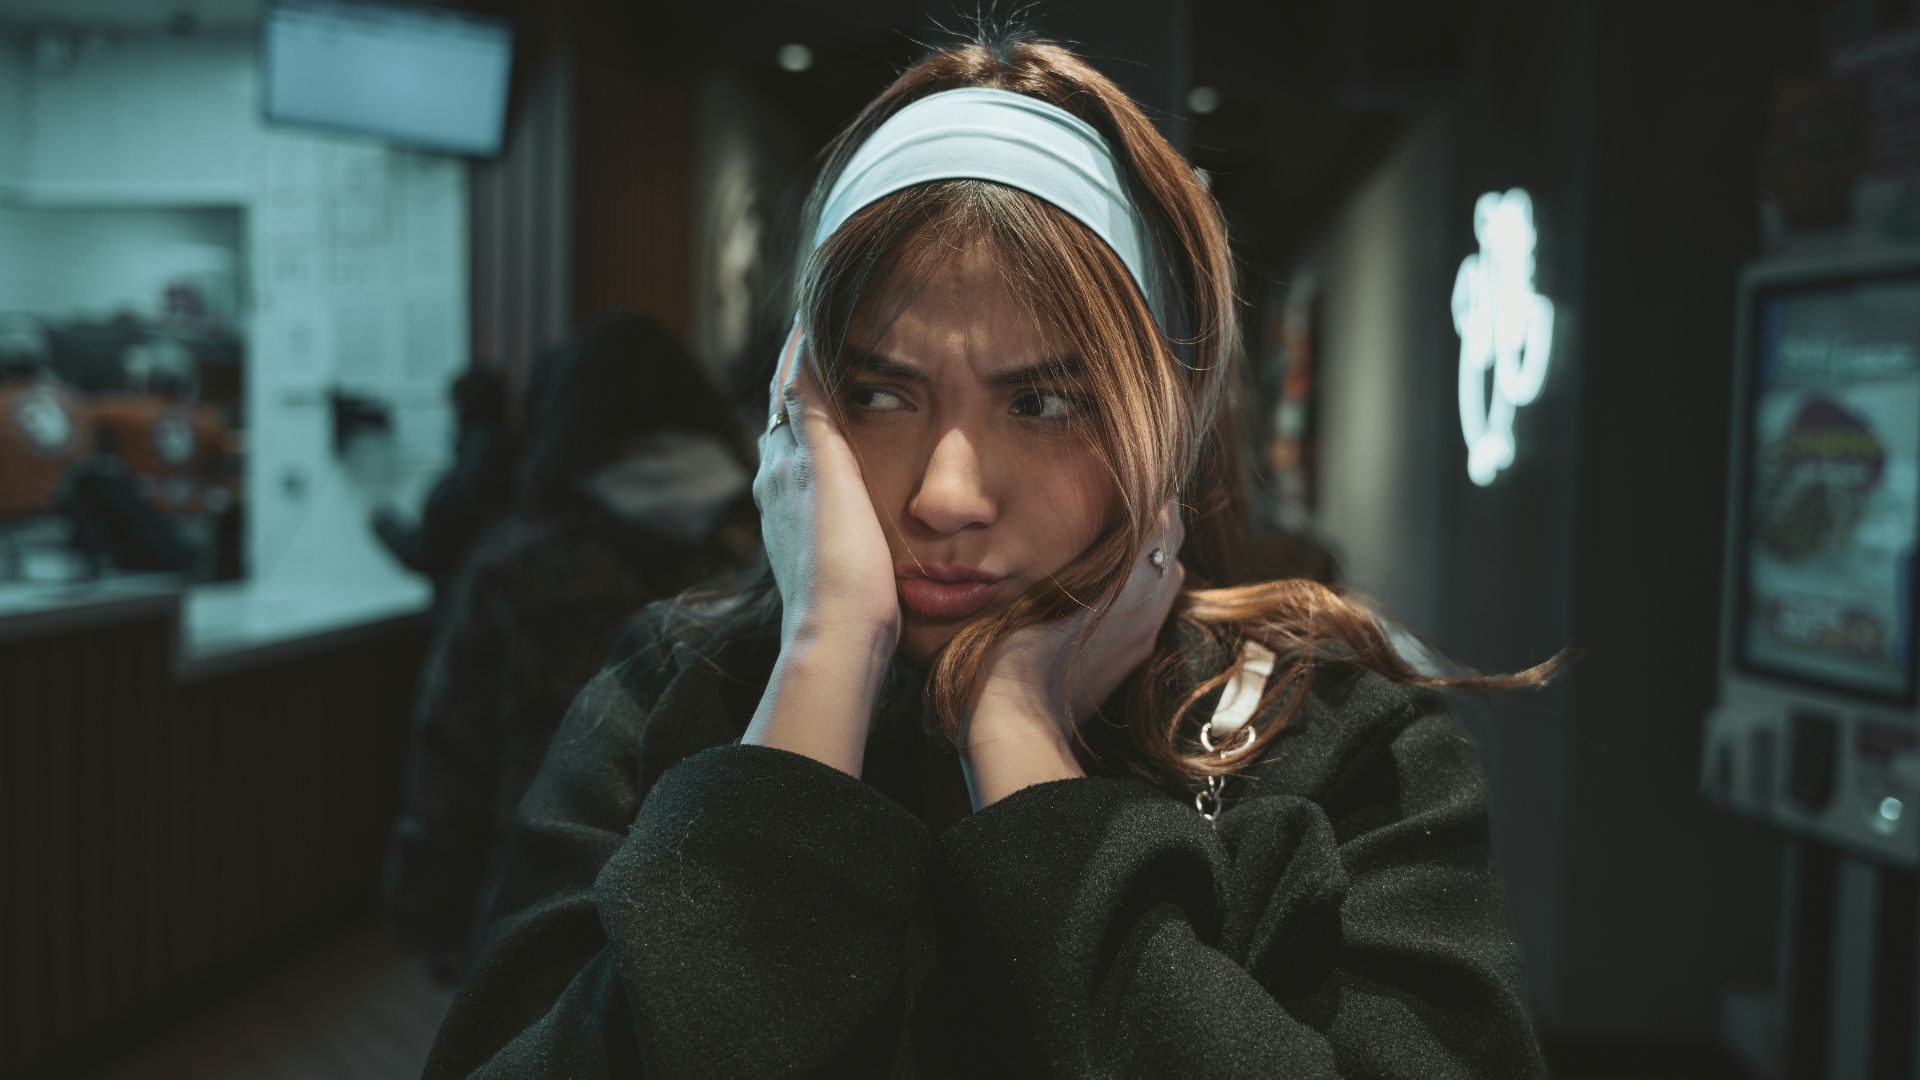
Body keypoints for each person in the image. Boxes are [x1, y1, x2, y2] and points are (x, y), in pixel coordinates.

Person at [425, 28, 1565, 1078]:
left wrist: (1017, 742)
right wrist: (821, 667)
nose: (947, 495)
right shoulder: (672, 702)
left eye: (1046, 403)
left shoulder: (1335, 744)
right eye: (877, 394)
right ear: (791, 410)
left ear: (1159, 425)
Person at [382, 312, 758, 982]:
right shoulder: (770, 549)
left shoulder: (518, 560)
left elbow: (453, 750)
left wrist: (428, 907)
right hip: (731, 909)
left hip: (540, 905)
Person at [371, 366, 518, 610]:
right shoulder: (525, 468)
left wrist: (384, 525)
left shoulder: (463, 482)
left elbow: (425, 552)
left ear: (459, 410)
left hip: (468, 617)